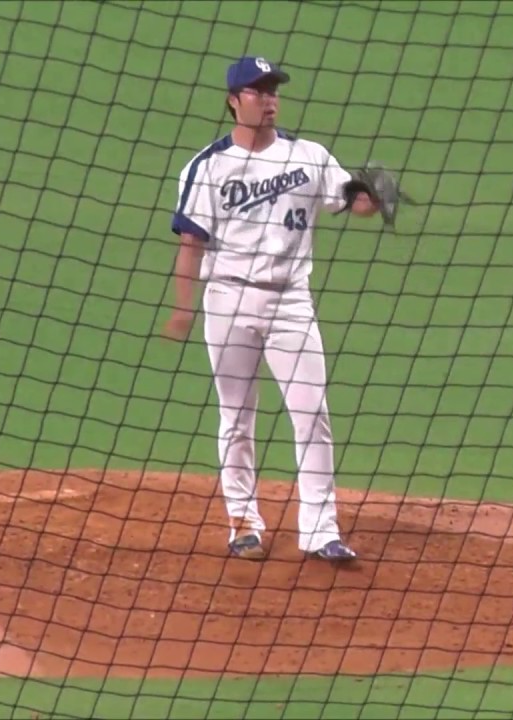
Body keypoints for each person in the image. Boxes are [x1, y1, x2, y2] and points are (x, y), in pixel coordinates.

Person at [165, 56, 379, 562]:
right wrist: (183, 307)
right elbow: (191, 244)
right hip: (228, 299)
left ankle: (321, 531)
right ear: (233, 101)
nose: (269, 99)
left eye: (273, 90)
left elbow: (352, 201)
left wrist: (371, 198)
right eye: (257, 91)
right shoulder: (207, 167)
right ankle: (243, 522)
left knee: (312, 413)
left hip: (291, 302)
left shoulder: (309, 156)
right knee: (237, 416)